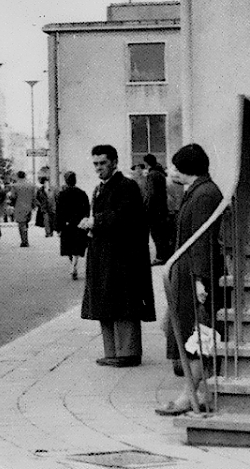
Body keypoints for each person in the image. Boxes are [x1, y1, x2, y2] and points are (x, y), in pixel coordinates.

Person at [156, 143, 224, 415]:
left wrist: (199, 280)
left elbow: (202, 239)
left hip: (194, 275)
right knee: (183, 331)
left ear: (187, 168)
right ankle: (203, 392)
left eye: (175, 166)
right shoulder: (199, 191)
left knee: (195, 336)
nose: (172, 170)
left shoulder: (204, 194)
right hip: (187, 273)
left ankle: (188, 396)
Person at [80, 144, 156, 368]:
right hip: (104, 254)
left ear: (114, 162)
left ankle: (128, 353)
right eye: (95, 164)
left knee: (124, 301)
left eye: (103, 163)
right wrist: (93, 227)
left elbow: (125, 216)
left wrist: (96, 221)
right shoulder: (100, 188)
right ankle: (112, 351)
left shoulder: (126, 186)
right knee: (106, 301)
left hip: (123, 256)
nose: (98, 168)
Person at [55, 171, 91, 280]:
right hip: (79, 224)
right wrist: (85, 221)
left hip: (67, 225)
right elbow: (87, 209)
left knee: (69, 247)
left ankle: (72, 265)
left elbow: (59, 212)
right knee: (77, 246)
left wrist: (58, 227)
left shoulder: (62, 194)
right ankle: (74, 265)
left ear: (66, 181)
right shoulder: (82, 193)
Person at [142, 154, 173, 265]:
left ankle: (160, 257)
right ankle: (164, 256)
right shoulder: (160, 174)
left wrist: (145, 207)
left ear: (147, 163)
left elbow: (150, 194)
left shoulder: (152, 175)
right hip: (162, 209)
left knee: (157, 234)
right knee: (162, 234)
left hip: (154, 211)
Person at [11, 171, 37, 248]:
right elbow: (34, 197)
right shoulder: (31, 185)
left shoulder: (15, 186)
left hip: (19, 206)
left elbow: (13, 196)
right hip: (29, 207)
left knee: (21, 224)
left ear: (17, 176)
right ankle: (25, 239)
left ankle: (24, 241)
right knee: (25, 224)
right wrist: (33, 205)